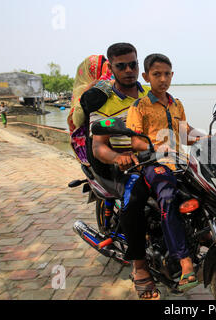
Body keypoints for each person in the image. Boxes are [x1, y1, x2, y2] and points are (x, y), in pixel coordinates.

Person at [82, 43, 159, 300]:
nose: (129, 70)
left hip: (151, 158)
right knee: (134, 197)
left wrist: (202, 137)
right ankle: (139, 266)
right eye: (121, 65)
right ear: (112, 68)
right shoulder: (104, 99)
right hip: (120, 165)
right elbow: (99, 146)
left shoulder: (151, 93)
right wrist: (119, 157)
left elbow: (173, 123)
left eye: (133, 64)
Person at [126, 53, 207, 292]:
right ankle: (184, 261)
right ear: (146, 76)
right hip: (153, 165)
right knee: (168, 196)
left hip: (179, 163)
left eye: (167, 74)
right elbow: (134, 141)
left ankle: (206, 236)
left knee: (207, 189)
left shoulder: (176, 103)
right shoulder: (139, 106)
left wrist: (207, 138)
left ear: (172, 75)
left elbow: (185, 132)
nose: (163, 79)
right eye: (156, 74)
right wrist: (156, 146)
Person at [67, 54, 113, 165]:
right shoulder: (85, 89)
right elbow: (77, 120)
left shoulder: (107, 85)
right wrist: (87, 91)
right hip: (92, 138)